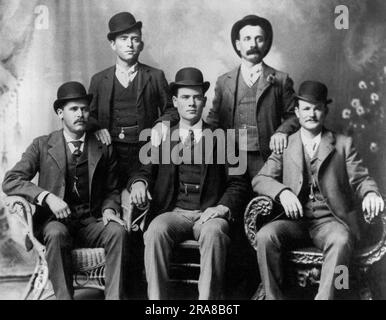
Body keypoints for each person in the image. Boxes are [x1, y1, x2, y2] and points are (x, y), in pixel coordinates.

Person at [252, 80, 384, 299]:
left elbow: (361, 179)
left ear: (325, 110)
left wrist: (371, 193)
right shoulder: (286, 144)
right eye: (306, 108)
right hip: (294, 222)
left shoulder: (343, 144)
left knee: (341, 239)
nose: (311, 114)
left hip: (330, 222)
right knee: (266, 236)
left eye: (317, 108)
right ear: (297, 112)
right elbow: (261, 179)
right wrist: (283, 192)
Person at [128, 68, 250, 299]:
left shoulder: (224, 137)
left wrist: (221, 208)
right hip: (173, 213)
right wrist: (139, 184)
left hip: (209, 213)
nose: (191, 103)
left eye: (196, 97)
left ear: (204, 101)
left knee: (215, 232)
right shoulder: (159, 137)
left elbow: (240, 183)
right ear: (175, 101)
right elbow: (141, 171)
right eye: (185, 97)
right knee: (155, 231)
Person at [2, 82, 129, 300]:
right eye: (74, 109)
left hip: (91, 222)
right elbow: (11, 180)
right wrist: (46, 197)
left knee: (117, 232)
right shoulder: (42, 145)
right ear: (60, 113)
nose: (81, 114)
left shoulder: (102, 146)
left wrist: (109, 210)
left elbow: (112, 189)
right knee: (55, 232)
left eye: (84, 109)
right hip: (55, 222)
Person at [88, 11, 179, 188]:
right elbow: (88, 115)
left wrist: (162, 124)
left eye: (135, 39)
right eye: (123, 38)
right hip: (110, 154)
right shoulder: (99, 80)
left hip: (146, 154)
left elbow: (172, 109)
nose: (130, 44)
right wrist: (96, 127)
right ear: (113, 44)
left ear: (141, 45)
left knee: (143, 201)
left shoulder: (155, 76)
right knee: (110, 201)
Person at [206, 14, 299, 179]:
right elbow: (214, 119)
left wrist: (282, 132)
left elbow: (294, 115)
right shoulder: (223, 81)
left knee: (264, 199)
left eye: (259, 39)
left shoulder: (281, 79)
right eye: (247, 38)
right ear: (238, 44)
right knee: (234, 198)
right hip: (231, 156)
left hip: (266, 156)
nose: (253, 44)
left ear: (266, 44)